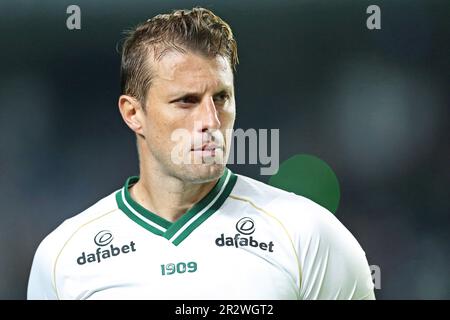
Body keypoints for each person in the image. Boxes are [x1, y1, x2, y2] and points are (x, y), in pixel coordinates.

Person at [27, 7, 375, 300]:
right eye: (186, 101)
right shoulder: (63, 258)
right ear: (134, 114)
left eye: (221, 98)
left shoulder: (309, 236)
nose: (211, 120)